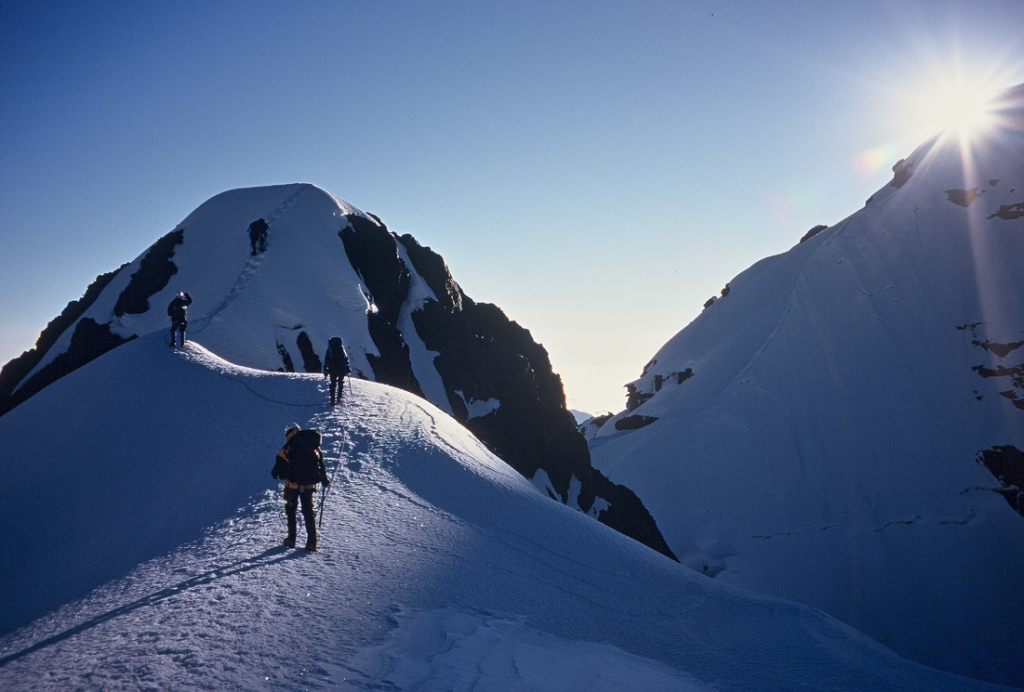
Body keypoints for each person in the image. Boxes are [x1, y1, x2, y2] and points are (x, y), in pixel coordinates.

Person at [271, 424, 329, 551]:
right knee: (308, 512)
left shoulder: (288, 446)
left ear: (287, 433)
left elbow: (279, 469)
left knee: (291, 511)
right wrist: (323, 479)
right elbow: (320, 461)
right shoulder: (312, 445)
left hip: (292, 485)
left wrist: (277, 473)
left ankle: (291, 539)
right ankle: (312, 543)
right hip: (309, 485)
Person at [323, 336, 351, 406]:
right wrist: (348, 369)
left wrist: (325, 371)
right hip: (341, 368)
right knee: (340, 382)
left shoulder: (330, 349)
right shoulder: (341, 348)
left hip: (332, 368)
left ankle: (332, 401)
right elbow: (346, 359)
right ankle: (339, 397)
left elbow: (326, 360)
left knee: (333, 383)